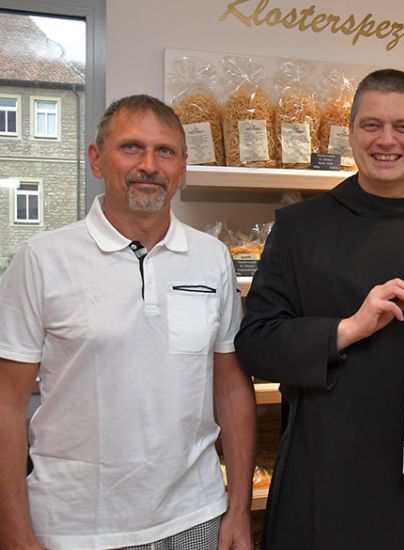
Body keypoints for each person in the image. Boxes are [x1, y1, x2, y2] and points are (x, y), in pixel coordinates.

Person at [234, 69, 404, 549]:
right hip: (323, 479)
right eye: (372, 125)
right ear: (350, 133)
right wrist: (346, 329)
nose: (386, 140)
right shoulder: (299, 228)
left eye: (402, 127)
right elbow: (256, 344)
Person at [0, 94, 256, 549]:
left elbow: (231, 388)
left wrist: (238, 507)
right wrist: (15, 532)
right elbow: (7, 403)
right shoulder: (42, 259)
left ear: (183, 168)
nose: (149, 165)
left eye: (165, 151)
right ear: (96, 159)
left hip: (195, 517)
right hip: (77, 527)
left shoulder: (211, 257)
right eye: (131, 147)